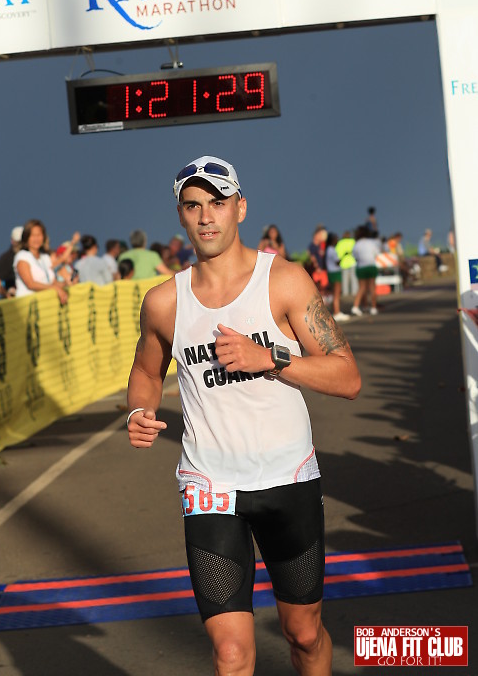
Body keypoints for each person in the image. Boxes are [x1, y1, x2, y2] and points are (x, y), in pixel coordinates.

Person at [126, 155, 361, 676]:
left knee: (302, 634)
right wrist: (139, 411)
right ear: (181, 216)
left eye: (218, 203)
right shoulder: (164, 302)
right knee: (231, 653)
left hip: (288, 478)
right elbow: (146, 371)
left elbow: (347, 378)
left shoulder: (285, 280)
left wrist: (271, 359)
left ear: (241, 208)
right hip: (211, 487)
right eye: (193, 206)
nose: (206, 216)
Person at [14, 219, 68, 304]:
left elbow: (52, 282)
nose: (36, 238)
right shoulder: (22, 256)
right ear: (26, 237)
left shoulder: (45, 258)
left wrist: (66, 282)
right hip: (28, 305)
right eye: (33, 235)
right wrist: (55, 288)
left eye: (39, 235)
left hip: (46, 304)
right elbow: (30, 284)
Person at [351, 226, 381, 316]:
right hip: (371, 266)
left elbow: (355, 257)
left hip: (360, 267)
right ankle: (373, 307)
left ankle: (356, 306)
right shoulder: (371, 243)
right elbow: (377, 254)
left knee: (362, 288)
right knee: (372, 287)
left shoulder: (356, 244)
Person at [0, 226, 23, 298]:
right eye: (17, 242)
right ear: (12, 241)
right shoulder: (7, 258)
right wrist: (7, 295)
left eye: (21, 242)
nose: (19, 245)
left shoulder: (31, 254)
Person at [324, 233, 349, 322]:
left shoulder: (328, 250)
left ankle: (335, 311)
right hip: (335, 272)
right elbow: (337, 262)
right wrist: (344, 256)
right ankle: (337, 312)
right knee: (337, 293)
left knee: (334, 293)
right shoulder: (332, 250)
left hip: (331, 273)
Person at [335, 231, 358, 297]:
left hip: (343, 264)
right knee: (354, 279)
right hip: (353, 262)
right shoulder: (353, 241)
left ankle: (345, 294)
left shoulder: (340, 243)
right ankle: (354, 293)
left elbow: (337, 253)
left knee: (345, 280)